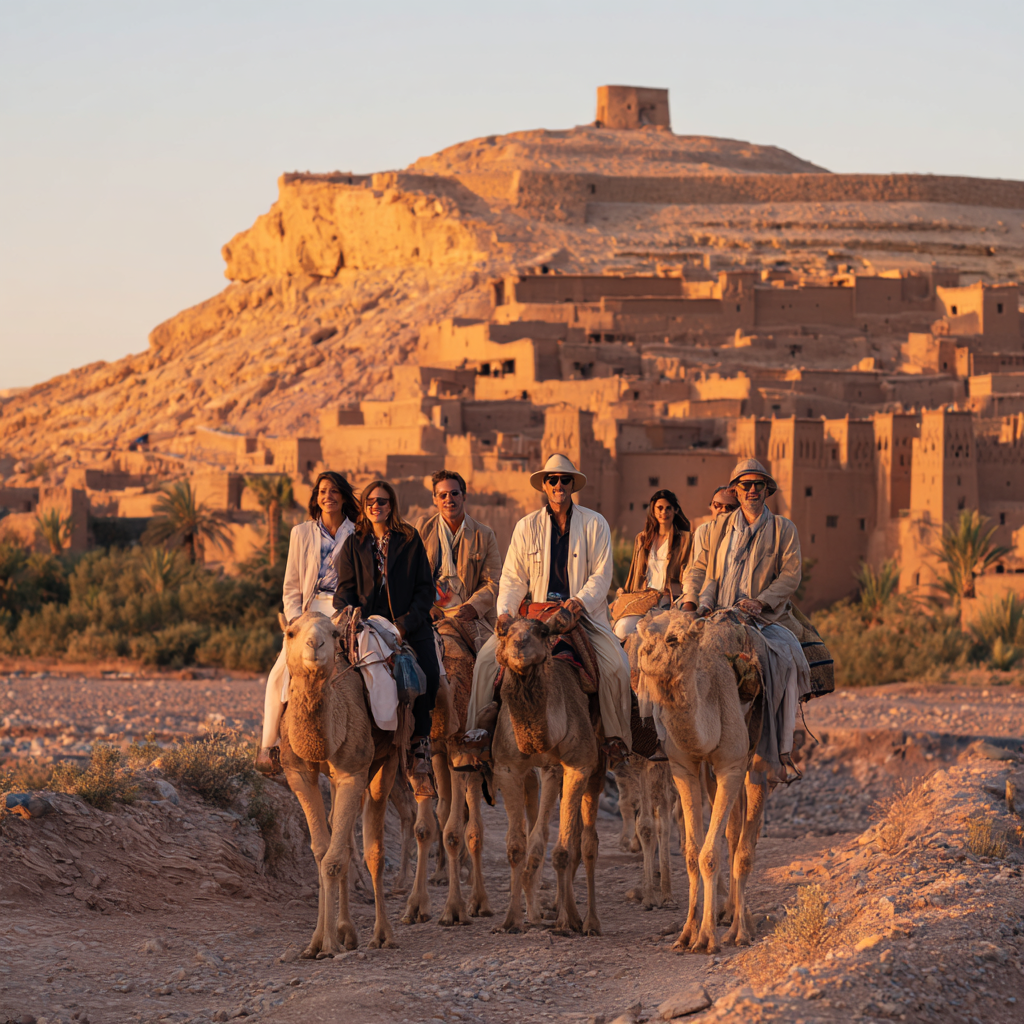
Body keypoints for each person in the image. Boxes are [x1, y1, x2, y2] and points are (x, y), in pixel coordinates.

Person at [464, 453, 633, 762]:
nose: (558, 485)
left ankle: (615, 738)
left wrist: (578, 601)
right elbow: (513, 577)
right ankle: (479, 734)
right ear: (544, 485)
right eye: (552, 480)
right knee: (486, 661)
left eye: (564, 479)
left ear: (573, 485)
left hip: (580, 614)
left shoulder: (595, 523)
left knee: (617, 667)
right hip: (534, 615)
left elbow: (601, 574)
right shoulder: (525, 526)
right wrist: (505, 613)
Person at [689, 458, 810, 782]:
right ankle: (668, 741)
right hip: (718, 613)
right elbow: (707, 574)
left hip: (762, 618)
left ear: (767, 490)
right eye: (746, 485)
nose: (753, 490)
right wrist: (701, 603)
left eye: (759, 485)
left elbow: (790, 575)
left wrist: (761, 601)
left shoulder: (783, 529)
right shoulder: (718, 529)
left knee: (782, 662)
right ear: (736, 491)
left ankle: (776, 750)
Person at [335, 480, 440, 798]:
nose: (376, 506)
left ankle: (420, 745)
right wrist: (351, 615)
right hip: (367, 625)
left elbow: (425, 589)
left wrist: (406, 624)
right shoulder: (353, 544)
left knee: (429, 674)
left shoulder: (409, 539)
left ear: (391, 504)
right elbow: (345, 589)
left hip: (408, 624)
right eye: (370, 501)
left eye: (381, 501)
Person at [256, 470, 358, 774]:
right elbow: (291, 587)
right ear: (316, 497)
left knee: (374, 666)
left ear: (344, 496)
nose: (328, 497)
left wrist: (349, 615)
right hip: (307, 613)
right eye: (323, 491)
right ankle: (268, 747)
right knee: (279, 674)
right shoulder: (301, 533)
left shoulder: (358, 533)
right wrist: (295, 621)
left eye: (334, 491)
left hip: (342, 612)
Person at [417, 470, 502, 652]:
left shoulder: (483, 535)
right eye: (443, 495)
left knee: (492, 659)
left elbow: (492, 581)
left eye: (454, 493)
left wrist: (473, 607)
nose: (449, 499)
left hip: (470, 615)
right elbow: (412, 578)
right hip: (431, 614)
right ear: (435, 499)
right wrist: (427, 606)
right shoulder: (423, 531)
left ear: (464, 496)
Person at [612, 488, 692, 640]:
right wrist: (623, 596)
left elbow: (688, 572)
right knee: (622, 629)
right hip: (643, 598)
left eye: (668, 508)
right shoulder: (642, 539)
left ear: (675, 510)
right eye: (660, 508)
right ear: (653, 511)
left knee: (653, 633)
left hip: (668, 601)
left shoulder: (684, 540)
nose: (664, 512)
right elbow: (633, 573)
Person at [677, 485, 740, 612]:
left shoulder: (742, 535)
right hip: (702, 595)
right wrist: (690, 600)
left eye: (730, 507)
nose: (723, 510)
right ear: (711, 507)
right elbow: (697, 570)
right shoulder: (704, 531)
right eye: (718, 505)